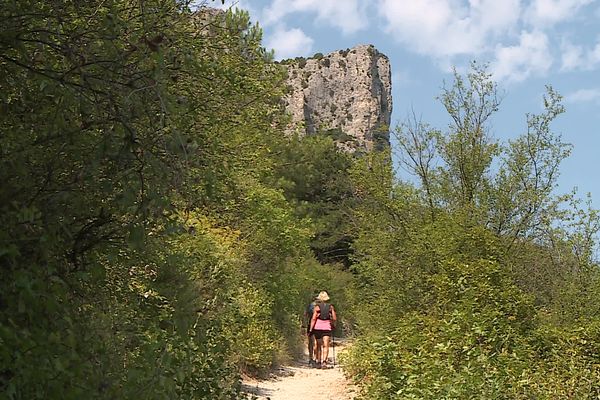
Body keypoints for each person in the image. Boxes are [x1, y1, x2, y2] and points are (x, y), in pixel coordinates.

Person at [309, 291, 337, 369]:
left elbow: (314, 318)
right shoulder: (330, 307)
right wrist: (333, 325)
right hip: (327, 327)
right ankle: (324, 362)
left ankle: (318, 361)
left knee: (318, 345)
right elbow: (334, 318)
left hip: (318, 327)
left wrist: (311, 329)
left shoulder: (317, 307)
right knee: (326, 345)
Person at [303, 294, 318, 366]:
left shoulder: (310, 306)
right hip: (319, 325)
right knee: (316, 342)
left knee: (310, 342)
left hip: (310, 324)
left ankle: (310, 358)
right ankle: (316, 358)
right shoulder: (321, 307)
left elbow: (305, 314)